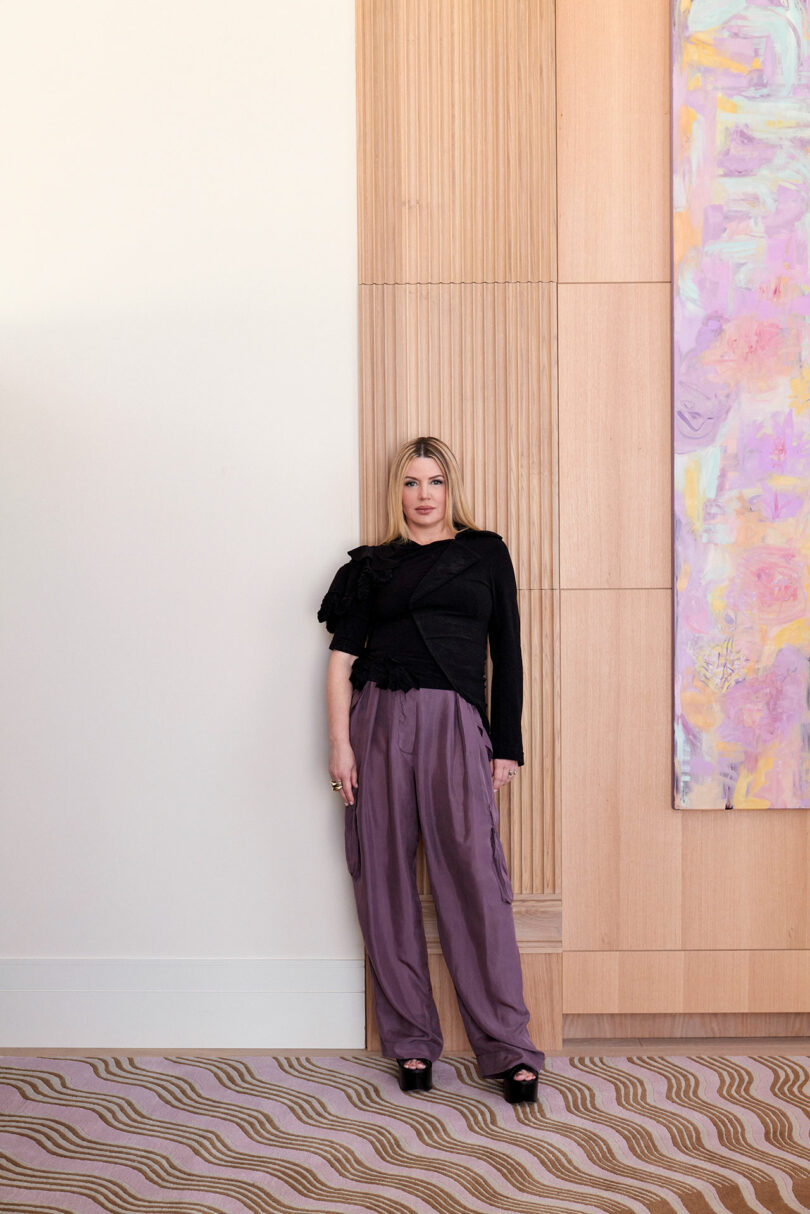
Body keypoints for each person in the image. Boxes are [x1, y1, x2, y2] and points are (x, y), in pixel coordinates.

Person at [317, 436, 545, 1103]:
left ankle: (508, 1047)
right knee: (382, 878)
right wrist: (341, 745)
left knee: (474, 879)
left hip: (455, 723)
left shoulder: (485, 552)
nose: (423, 495)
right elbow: (340, 663)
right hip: (379, 720)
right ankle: (413, 1044)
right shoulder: (373, 566)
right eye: (412, 483)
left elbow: (509, 651)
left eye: (435, 481)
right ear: (399, 492)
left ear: (452, 488)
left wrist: (506, 744)